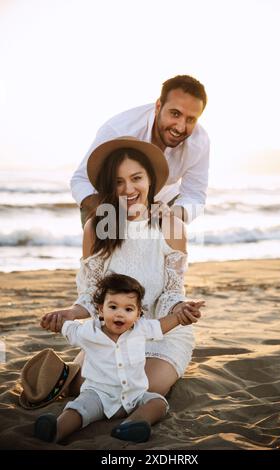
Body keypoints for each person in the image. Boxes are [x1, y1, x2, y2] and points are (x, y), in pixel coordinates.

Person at [41, 137, 205, 401]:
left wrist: (179, 311)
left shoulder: (171, 226)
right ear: (109, 186)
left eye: (136, 178)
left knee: (139, 392)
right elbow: (92, 296)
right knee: (82, 391)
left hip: (160, 332)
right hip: (112, 331)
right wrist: (69, 313)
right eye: (118, 182)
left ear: (150, 179)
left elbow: (172, 292)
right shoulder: (96, 227)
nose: (128, 188)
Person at [35, 273, 203, 443]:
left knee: (158, 403)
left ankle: (133, 424)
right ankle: (56, 430)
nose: (120, 314)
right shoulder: (89, 331)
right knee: (78, 409)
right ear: (101, 309)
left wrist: (181, 315)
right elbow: (68, 328)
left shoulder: (141, 329)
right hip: (98, 396)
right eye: (113, 307)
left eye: (128, 309)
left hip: (135, 395)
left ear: (138, 314)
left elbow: (161, 326)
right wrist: (52, 323)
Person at [71, 74, 209, 226]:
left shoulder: (199, 143)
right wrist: (109, 212)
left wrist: (170, 215)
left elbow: (194, 195)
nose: (180, 127)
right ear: (158, 106)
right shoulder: (119, 129)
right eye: (175, 114)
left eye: (191, 119)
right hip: (111, 201)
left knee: (173, 231)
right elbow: (81, 180)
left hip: (161, 203)